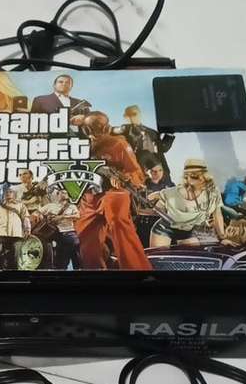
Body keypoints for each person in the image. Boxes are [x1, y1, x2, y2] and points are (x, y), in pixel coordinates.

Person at [76, 111, 152, 271]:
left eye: (97, 128)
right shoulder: (79, 146)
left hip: (113, 193)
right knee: (87, 240)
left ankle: (137, 271)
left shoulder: (119, 144)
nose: (93, 134)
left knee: (120, 226)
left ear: (106, 128)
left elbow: (136, 173)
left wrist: (124, 178)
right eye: (89, 130)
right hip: (90, 197)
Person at [148, 158, 225, 248]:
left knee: (191, 250)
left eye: (196, 176)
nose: (191, 179)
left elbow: (218, 215)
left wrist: (222, 238)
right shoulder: (174, 192)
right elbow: (151, 198)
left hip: (192, 230)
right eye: (189, 176)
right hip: (166, 228)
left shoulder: (213, 193)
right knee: (158, 255)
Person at [117, 106, 174, 178]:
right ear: (126, 117)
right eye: (129, 115)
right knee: (144, 154)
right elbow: (113, 132)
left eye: (134, 114)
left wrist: (169, 134)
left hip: (157, 166)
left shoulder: (152, 132)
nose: (132, 117)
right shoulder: (125, 129)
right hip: (138, 166)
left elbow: (162, 149)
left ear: (140, 114)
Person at [37, 186, 82, 269]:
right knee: (60, 264)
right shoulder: (50, 206)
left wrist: (62, 217)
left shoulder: (72, 206)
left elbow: (77, 216)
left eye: (65, 193)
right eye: (62, 192)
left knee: (77, 262)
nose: (64, 194)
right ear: (57, 195)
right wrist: (44, 218)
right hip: (57, 235)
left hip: (70, 233)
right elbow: (38, 212)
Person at [0, 187, 31, 269]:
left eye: (10, 192)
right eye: (6, 192)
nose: (8, 194)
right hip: (0, 233)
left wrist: (27, 229)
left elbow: (25, 218)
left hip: (16, 234)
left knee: (16, 256)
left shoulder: (21, 206)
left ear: (14, 194)